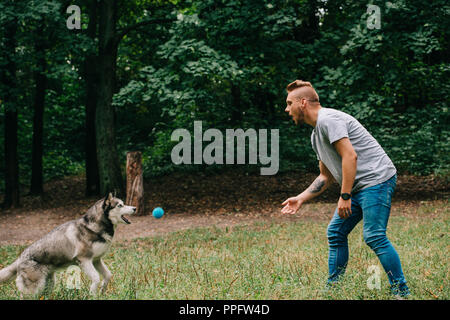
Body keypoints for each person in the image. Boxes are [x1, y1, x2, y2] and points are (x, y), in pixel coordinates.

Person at [281, 80, 410, 298]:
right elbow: (326, 175)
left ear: (302, 103)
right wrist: (301, 198)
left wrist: (345, 195)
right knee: (336, 233)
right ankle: (333, 290)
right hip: (360, 186)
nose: (286, 109)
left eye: (289, 103)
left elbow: (350, 156)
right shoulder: (316, 136)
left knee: (374, 236)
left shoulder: (329, 120)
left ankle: (401, 291)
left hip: (377, 179)